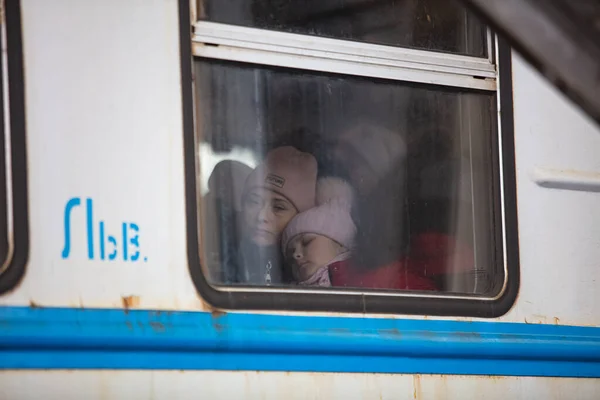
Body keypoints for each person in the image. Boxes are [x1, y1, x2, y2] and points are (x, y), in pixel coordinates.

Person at [227, 146, 318, 285]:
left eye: (279, 208)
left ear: (301, 218)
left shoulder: (314, 272)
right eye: (254, 201)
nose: (261, 216)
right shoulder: (220, 254)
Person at [281, 177, 355, 287]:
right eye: (291, 256)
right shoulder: (288, 294)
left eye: (307, 242)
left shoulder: (356, 279)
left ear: (340, 244)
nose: (296, 255)